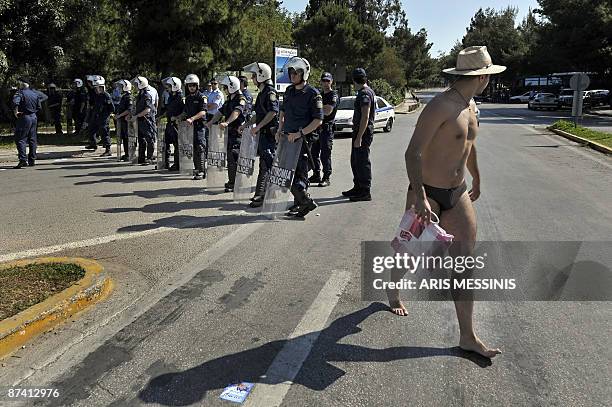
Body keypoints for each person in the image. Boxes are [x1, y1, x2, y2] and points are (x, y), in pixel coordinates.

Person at [388, 45, 505, 358]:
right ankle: (393, 288)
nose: (489, 81)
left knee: (464, 263)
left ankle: (467, 336)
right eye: (488, 76)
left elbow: (470, 144)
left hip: (458, 192)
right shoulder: (440, 106)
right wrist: (421, 197)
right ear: (481, 77)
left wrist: (476, 178)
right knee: (410, 254)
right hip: (426, 191)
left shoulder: (471, 105)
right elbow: (412, 152)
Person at [276, 56, 323, 218]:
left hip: (303, 140)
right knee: (286, 173)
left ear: (304, 74)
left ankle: (303, 203)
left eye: (296, 72)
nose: (293, 75)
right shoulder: (288, 91)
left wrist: (299, 133)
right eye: (291, 72)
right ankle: (302, 202)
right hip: (287, 138)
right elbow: (283, 112)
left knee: (300, 173)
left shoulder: (313, 94)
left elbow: (318, 120)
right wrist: (279, 130)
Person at [241, 61, 279, 208]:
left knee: (266, 164)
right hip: (263, 134)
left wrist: (258, 127)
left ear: (262, 75)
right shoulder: (262, 92)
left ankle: (263, 195)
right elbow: (259, 114)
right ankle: (267, 193)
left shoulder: (270, 92)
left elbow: (272, 112)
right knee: (265, 163)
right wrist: (246, 125)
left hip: (269, 134)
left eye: (254, 76)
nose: (252, 79)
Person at [342, 68, 375, 202]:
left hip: (363, 132)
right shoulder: (367, 92)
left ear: (354, 81)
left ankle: (365, 191)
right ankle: (358, 187)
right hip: (361, 131)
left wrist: (359, 137)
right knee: (355, 161)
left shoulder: (364, 94)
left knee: (362, 162)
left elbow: (365, 116)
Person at [207, 75, 246, 192]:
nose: (224, 90)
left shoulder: (241, 99)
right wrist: (211, 122)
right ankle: (232, 181)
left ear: (232, 87)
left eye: (225, 87)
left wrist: (227, 122)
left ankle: (237, 183)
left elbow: (237, 112)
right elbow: (220, 111)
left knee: (234, 157)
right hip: (230, 133)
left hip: (238, 132)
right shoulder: (230, 99)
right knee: (230, 157)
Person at [310, 72, 338, 187]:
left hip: (327, 129)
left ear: (331, 81)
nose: (326, 83)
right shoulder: (319, 94)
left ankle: (326, 177)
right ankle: (316, 174)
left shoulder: (333, 95)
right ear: (321, 81)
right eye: (324, 80)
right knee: (313, 153)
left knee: (325, 154)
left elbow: (328, 111)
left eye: (328, 80)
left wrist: (317, 109)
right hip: (317, 128)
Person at [12, 78, 44, 168]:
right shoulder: (34, 93)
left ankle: (22, 160)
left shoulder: (20, 93)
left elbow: (15, 103)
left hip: (24, 117)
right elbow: (39, 107)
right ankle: (32, 160)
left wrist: (16, 112)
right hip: (33, 117)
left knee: (20, 139)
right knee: (32, 139)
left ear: (22, 84)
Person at [183, 74, 208, 179]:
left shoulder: (202, 97)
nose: (191, 87)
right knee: (193, 148)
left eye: (193, 85)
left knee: (200, 148)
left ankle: (202, 171)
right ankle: (197, 168)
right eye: (189, 85)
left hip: (199, 126)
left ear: (197, 86)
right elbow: (186, 112)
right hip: (190, 127)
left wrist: (192, 118)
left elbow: (203, 112)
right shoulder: (188, 98)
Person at [160, 76, 185, 171]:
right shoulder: (171, 96)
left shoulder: (180, 97)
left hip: (177, 125)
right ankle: (165, 162)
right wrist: (161, 116)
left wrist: (177, 118)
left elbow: (184, 111)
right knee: (166, 142)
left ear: (175, 86)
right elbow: (169, 109)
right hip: (169, 123)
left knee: (176, 144)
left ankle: (177, 164)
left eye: (169, 86)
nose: (167, 88)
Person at [131, 76, 156, 165]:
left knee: (150, 139)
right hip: (140, 120)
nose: (135, 86)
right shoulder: (140, 95)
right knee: (141, 140)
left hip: (147, 120)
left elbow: (147, 110)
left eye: (137, 84)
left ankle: (150, 158)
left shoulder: (146, 95)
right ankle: (141, 158)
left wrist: (136, 116)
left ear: (141, 84)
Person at [87, 75, 115, 156]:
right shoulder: (96, 95)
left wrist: (109, 114)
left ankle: (108, 149)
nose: (96, 89)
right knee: (91, 129)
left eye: (97, 88)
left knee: (104, 131)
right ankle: (93, 143)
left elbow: (112, 108)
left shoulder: (106, 95)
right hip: (96, 115)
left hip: (103, 116)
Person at [114, 79, 132, 161]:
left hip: (126, 121)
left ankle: (129, 154)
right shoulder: (124, 96)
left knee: (127, 138)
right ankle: (126, 154)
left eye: (121, 86)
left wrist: (119, 115)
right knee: (124, 138)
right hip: (122, 120)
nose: (120, 88)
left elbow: (129, 109)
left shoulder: (128, 97)